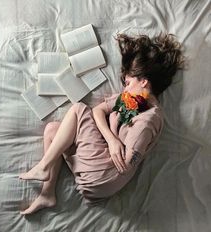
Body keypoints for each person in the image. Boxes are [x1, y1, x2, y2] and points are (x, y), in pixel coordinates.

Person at [19, 33, 185, 215]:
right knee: (52, 131)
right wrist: (112, 140)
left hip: (102, 176)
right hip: (96, 176)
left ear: (144, 82)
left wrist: (115, 144)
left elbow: (128, 162)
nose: (125, 89)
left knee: (78, 108)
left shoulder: (148, 119)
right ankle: (47, 194)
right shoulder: (135, 99)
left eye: (128, 83)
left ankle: (44, 166)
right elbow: (98, 110)